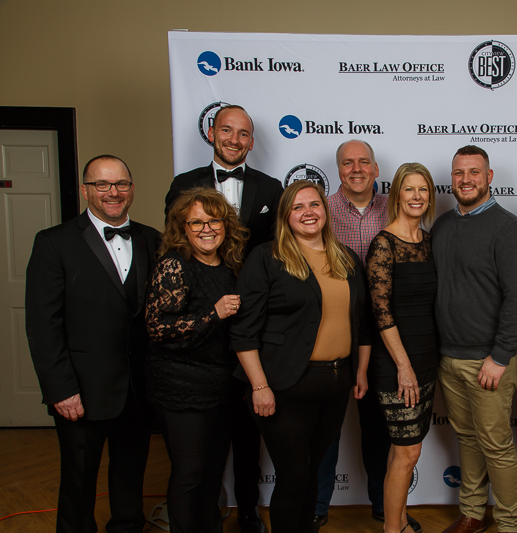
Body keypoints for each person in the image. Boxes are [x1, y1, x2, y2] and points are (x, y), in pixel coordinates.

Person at [164, 104, 283, 532]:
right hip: (199, 319)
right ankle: (204, 513)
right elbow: (175, 245)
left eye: (244, 133)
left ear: (251, 141)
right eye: (228, 130)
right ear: (212, 132)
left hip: (251, 321)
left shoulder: (271, 187)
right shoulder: (184, 183)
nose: (235, 139)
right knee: (202, 439)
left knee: (248, 427)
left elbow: (276, 252)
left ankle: (248, 509)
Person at [26, 155, 160, 533]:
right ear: (86, 190)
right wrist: (60, 389)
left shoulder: (153, 239)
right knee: (78, 482)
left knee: (131, 474)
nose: (113, 192)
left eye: (121, 184)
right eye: (102, 184)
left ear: (131, 189)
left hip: (138, 388)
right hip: (81, 391)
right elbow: (43, 325)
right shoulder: (54, 242)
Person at [231, 180, 372, 533]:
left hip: (334, 385)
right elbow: (243, 332)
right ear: (285, 215)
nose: (308, 212)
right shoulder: (267, 258)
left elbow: (362, 322)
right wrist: (259, 386)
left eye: (314, 204)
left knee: (310, 471)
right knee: (293, 475)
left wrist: (361, 371)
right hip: (283, 386)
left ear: (325, 210)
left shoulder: (346, 258)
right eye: (298, 207)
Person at [317, 140, 422, 533]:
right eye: (348, 163)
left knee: (380, 426)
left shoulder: (395, 209)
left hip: (383, 335)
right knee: (325, 427)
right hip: (331, 331)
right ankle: (317, 505)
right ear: (338, 170)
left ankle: (384, 504)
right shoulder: (321, 210)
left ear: (377, 169)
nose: (356, 169)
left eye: (364, 162)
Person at [432, 145, 517, 533]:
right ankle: (473, 513)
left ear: (489, 177)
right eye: (459, 173)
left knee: (496, 444)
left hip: (489, 360)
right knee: (467, 439)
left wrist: (501, 355)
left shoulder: (508, 230)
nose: (466, 180)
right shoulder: (442, 225)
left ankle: (509, 525)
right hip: (448, 356)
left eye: (474, 172)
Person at [146, 188, 248, 532]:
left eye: (214, 221)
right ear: (183, 228)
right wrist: (213, 314)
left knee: (213, 472)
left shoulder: (230, 266)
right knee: (189, 474)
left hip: (223, 388)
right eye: (196, 222)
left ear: (225, 225)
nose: (207, 229)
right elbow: (158, 327)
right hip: (182, 390)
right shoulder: (174, 265)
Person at [365, 163, 438, 533]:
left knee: (407, 450)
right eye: (409, 189)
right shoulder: (383, 244)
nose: (416, 196)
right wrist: (404, 367)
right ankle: (392, 529)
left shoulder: (429, 241)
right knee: (407, 451)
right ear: (396, 195)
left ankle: (399, 523)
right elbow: (381, 312)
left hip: (427, 359)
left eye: (423, 189)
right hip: (397, 363)